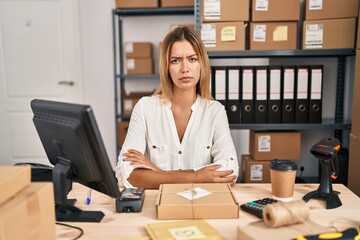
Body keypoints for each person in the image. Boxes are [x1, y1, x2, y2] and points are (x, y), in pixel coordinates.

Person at [115, 26, 239, 189]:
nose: (185, 68)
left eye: (192, 59)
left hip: (200, 206)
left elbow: (229, 171)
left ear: (202, 64)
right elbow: (126, 173)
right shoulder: (145, 108)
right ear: (166, 67)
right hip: (156, 208)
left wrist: (155, 171)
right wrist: (197, 177)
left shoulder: (215, 111)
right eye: (175, 60)